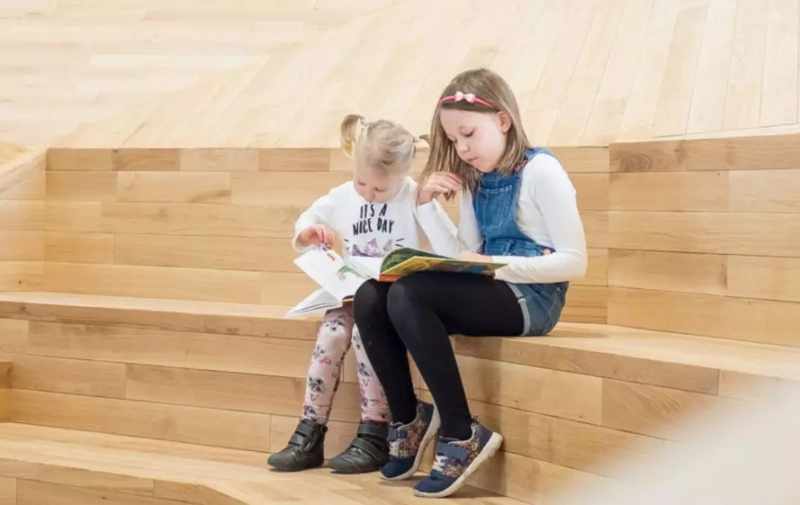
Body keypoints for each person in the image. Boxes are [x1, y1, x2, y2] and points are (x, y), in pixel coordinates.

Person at [353, 68, 588, 497]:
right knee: (372, 295)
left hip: (534, 299)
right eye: (453, 139)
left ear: (503, 121)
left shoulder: (543, 171)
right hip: (495, 286)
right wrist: (427, 206)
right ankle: (408, 418)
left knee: (410, 294)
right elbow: (464, 254)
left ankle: (461, 433)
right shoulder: (476, 179)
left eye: (468, 134)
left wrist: (494, 263)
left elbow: (575, 262)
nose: (461, 148)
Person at [268, 114, 450, 474]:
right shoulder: (343, 196)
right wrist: (308, 233)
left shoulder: (414, 196)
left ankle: (374, 432)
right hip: (350, 294)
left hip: (389, 305)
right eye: (361, 182)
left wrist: (428, 205)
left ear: (403, 174)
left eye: (380, 190)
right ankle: (309, 431)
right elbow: (306, 219)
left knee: (365, 336)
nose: (368, 194)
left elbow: (447, 246)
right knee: (331, 335)